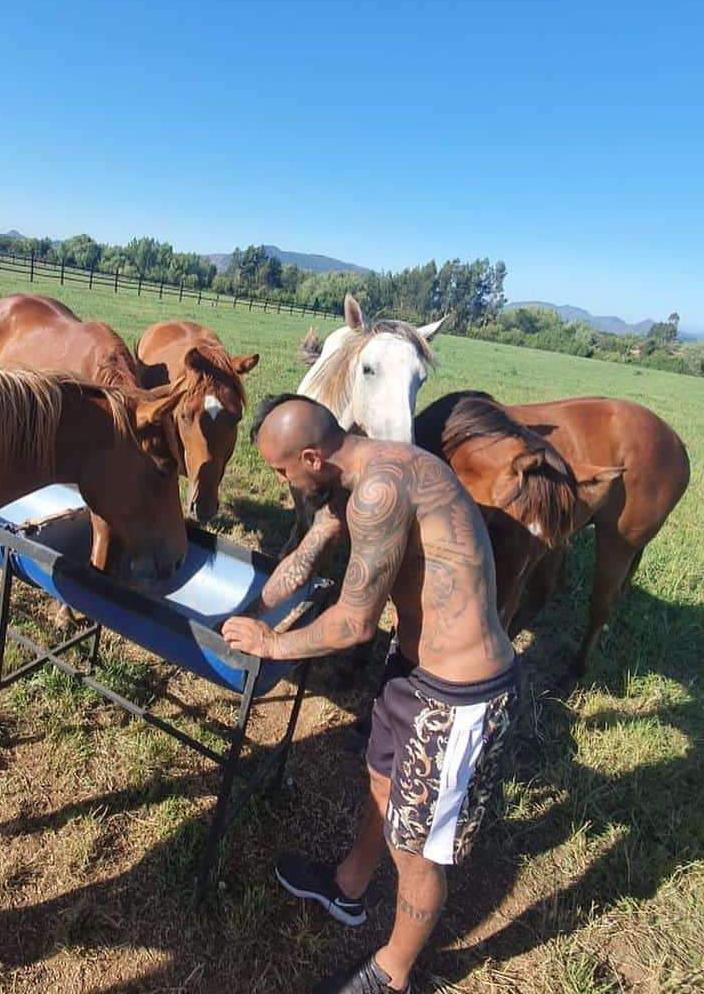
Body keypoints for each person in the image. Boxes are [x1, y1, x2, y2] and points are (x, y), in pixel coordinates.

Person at [223, 394, 519, 994]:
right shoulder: (351, 468)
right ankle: (349, 888)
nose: (282, 481)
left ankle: (393, 974)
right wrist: (253, 612)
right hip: (412, 666)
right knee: (382, 781)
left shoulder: (381, 490)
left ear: (311, 455)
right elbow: (306, 555)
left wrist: (273, 646)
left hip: (459, 692)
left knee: (418, 848)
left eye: (282, 471)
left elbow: (354, 623)